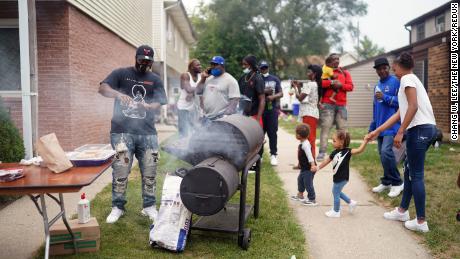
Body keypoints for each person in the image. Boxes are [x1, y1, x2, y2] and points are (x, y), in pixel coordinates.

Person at [366, 52, 437, 233]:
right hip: (424, 129)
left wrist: (399, 132)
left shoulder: (407, 79)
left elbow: (413, 107)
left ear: (400, 65)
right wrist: (377, 130)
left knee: (416, 175)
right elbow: (400, 112)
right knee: (408, 170)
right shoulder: (408, 80)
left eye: (394, 67)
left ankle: (421, 221)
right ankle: (402, 211)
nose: (394, 71)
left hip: (419, 130)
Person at [98, 45, 167, 224]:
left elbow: (159, 102)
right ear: (135, 58)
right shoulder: (121, 73)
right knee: (121, 169)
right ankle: (117, 207)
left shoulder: (155, 79)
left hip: (147, 132)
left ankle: (149, 206)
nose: (144, 63)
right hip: (122, 131)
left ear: (152, 62)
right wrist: (119, 95)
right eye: (141, 60)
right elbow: (103, 88)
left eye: (148, 61)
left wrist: (148, 106)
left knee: (150, 170)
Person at [369, 57, 404, 197]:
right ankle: (387, 181)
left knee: (386, 153)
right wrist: (372, 127)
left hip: (392, 126)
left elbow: (402, 102)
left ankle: (397, 182)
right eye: (379, 69)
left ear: (388, 68)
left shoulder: (396, 82)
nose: (382, 71)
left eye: (385, 68)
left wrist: (385, 97)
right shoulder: (377, 85)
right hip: (380, 127)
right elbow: (375, 107)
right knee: (382, 156)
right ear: (376, 70)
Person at [317, 130, 367, 217]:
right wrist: (318, 168)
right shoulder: (334, 152)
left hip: (343, 177)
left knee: (335, 192)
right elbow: (326, 161)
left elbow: (359, 150)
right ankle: (351, 202)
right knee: (337, 191)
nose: (332, 142)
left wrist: (365, 141)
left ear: (341, 142)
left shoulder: (348, 151)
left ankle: (336, 211)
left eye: (334, 141)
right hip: (337, 176)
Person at [317, 53, 354, 162]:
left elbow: (351, 87)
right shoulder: (324, 71)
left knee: (342, 130)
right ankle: (322, 152)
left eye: (338, 59)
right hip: (327, 104)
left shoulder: (345, 72)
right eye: (334, 59)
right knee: (325, 128)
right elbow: (319, 83)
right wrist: (332, 82)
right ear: (329, 61)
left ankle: (343, 152)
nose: (336, 61)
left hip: (342, 105)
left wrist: (340, 86)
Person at [292, 64, 322, 159]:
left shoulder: (310, 84)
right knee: (305, 137)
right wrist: (299, 87)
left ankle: (311, 162)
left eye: (309, 72)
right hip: (311, 113)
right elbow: (304, 97)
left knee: (309, 138)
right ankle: (303, 162)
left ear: (314, 74)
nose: (307, 73)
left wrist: (295, 88)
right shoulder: (316, 84)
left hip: (309, 114)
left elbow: (300, 98)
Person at [260, 60, 283, 166]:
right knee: (259, 133)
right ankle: (258, 156)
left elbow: (281, 93)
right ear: (259, 68)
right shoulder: (257, 78)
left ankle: (273, 154)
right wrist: (264, 92)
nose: (264, 69)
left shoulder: (274, 79)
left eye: (265, 67)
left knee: (272, 133)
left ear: (268, 67)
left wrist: (273, 96)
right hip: (259, 109)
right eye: (262, 68)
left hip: (272, 109)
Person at [290, 124, 318, 206]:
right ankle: (300, 195)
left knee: (308, 183)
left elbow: (310, 156)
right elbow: (302, 157)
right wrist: (299, 165)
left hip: (309, 168)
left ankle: (312, 199)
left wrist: (312, 165)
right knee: (300, 180)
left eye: (296, 133)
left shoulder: (305, 145)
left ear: (298, 135)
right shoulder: (303, 143)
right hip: (304, 168)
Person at [238, 55, 265, 126]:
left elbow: (262, 99)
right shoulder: (242, 78)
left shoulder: (258, 78)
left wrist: (258, 118)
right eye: (242, 64)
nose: (243, 66)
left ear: (251, 65)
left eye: (245, 64)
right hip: (242, 115)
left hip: (254, 115)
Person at [177, 59, 202, 137]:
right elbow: (189, 89)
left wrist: (193, 92)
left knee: (195, 128)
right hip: (183, 107)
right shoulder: (185, 75)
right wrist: (194, 91)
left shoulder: (200, 76)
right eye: (197, 65)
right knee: (184, 131)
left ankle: (192, 147)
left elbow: (202, 89)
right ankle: (181, 145)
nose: (200, 66)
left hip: (194, 107)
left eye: (200, 64)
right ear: (191, 67)